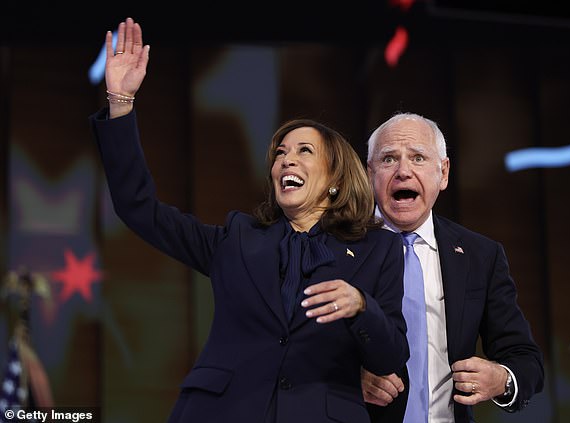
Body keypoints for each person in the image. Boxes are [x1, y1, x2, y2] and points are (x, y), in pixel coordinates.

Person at [89, 18, 409, 423]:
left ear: (336, 179)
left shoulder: (377, 249)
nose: (286, 159)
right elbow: (139, 208)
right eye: (280, 152)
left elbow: (393, 354)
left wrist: (361, 306)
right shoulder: (237, 239)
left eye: (304, 151)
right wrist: (120, 102)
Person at [361, 112, 544, 423]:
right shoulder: (336, 247)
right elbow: (294, 351)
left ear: (443, 173)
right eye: (389, 159)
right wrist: (347, 378)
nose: (403, 171)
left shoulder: (480, 255)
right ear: (369, 174)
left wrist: (501, 379)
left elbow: (525, 360)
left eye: (418, 157)